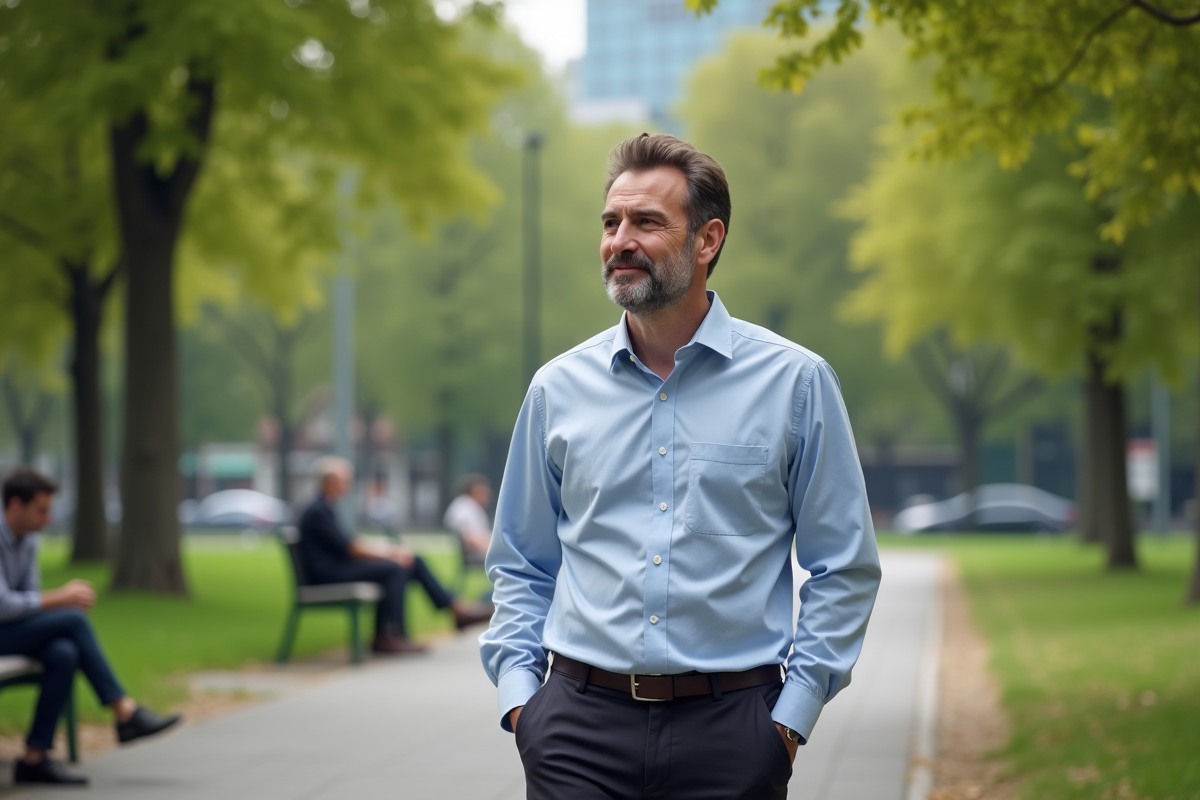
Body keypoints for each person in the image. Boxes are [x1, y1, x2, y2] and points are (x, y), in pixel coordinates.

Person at [480, 133, 882, 799]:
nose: (620, 241)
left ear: (707, 240)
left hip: (734, 734)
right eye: (611, 222)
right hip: (576, 732)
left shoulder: (796, 383)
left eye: (646, 222)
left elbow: (844, 564)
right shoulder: (557, 389)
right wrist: (526, 706)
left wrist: (789, 721)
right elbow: (520, 560)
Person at [0, 468, 182, 786]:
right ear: (15, 505)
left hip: (10, 630)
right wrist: (61, 598)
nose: (47, 520)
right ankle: (123, 710)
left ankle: (34, 757)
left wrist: (53, 602)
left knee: (64, 653)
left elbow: (27, 597)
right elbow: (2, 605)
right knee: (73, 618)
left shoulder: (27, 540)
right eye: (41, 510)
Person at [297, 457, 492, 656]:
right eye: (345, 480)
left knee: (412, 560)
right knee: (395, 568)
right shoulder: (318, 511)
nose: (349, 485)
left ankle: (452, 611)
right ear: (329, 482)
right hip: (327, 574)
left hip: (336, 568)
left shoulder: (324, 508)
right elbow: (350, 548)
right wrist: (390, 554)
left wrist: (391, 552)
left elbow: (349, 544)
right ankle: (392, 636)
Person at [442, 474, 493, 563]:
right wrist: (492, 550)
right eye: (485, 492)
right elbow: (469, 538)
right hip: (476, 553)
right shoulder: (464, 507)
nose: (489, 496)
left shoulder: (472, 506)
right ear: (475, 491)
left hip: (483, 550)